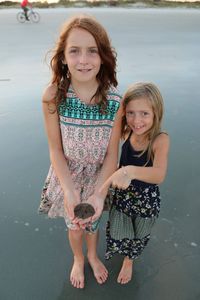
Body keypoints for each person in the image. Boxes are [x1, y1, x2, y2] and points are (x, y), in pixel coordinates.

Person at [38, 14, 122, 289]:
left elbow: (112, 154)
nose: (83, 59)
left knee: (93, 224)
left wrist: (99, 194)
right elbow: (55, 149)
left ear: (103, 56)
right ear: (63, 56)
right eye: (74, 51)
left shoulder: (115, 102)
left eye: (92, 51)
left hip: (100, 174)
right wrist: (71, 191)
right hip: (67, 174)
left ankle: (93, 255)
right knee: (74, 226)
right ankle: (78, 258)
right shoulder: (53, 96)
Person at [101, 82, 170, 284]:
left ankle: (129, 261)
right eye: (130, 113)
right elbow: (116, 123)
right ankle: (124, 250)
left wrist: (129, 171)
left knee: (139, 234)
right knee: (120, 228)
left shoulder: (160, 139)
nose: (136, 121)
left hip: (145, 201)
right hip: (123, 196)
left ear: (156, 113)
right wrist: (122, 107)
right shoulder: (127, 131)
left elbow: (159, 175)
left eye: (144, 114)